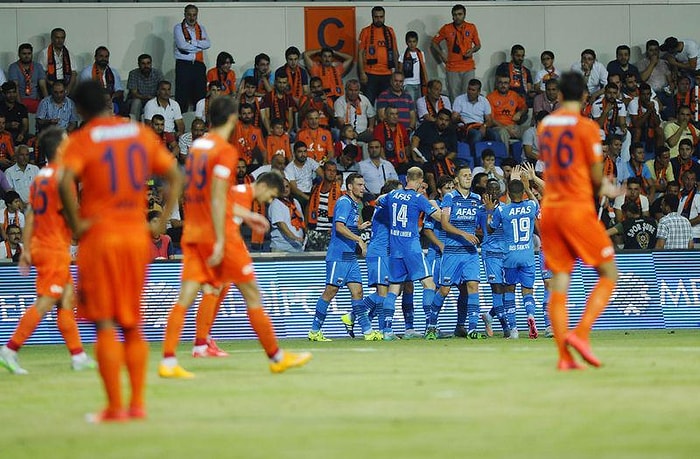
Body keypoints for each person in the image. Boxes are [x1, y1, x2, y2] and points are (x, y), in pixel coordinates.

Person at [57, 80, 182, 422]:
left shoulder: (81, 140)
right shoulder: (137, 133)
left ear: (80, 110)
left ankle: (115, 408)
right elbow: (174, 173)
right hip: (135, 238)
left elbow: (62, 180)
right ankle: (138, 405)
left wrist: (77, 224)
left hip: (99, 238)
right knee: (132, 324)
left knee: (106, 324)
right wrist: (161, 221)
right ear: (110, 102)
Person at [537, 71, 625, 371]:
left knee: (560, 282)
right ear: (585, 96)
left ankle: (564, 357)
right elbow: (596, 174)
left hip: (549, 209)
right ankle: (582, 334)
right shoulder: (588, 128)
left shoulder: (545, 125)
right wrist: (605, 188)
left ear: (559, 95)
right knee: (609, 273)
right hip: (576, 207)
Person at [0, 129, 95, 374]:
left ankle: (78, 356)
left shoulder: (41, 178)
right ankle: (9, 350)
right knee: (45, 302)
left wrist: (28, 249)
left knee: (65, 300)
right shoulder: (63, 178)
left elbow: (31, 214)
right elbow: (72, 216)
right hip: (53, 248)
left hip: (46, 246)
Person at [308, 173, 382, 341]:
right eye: (359, 185)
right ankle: (314, 331)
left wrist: (359, 227)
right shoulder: (343, 202)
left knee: (358, 292)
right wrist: (359, 240)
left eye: (363, 185)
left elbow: (348, 224)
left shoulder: (356, 205)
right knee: (330, 291)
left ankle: (368, 332)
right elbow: (339, 227)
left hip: (350, 257)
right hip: (338, 255)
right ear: (350, 186)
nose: (363, 188)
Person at [378, 167, 441, 339]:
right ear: (420, 181)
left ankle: (387, 331)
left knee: (393, 289)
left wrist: (384, 197)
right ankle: (430, 328)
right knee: (429, 285)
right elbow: (438, 217)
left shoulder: (392, 195)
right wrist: (438, 207)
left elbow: (378, 200)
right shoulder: (419, 198)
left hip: (395, 249)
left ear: (406, 178)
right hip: (412, 248)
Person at [426, 165, 482, 339]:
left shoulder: (476, 198)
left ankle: (472, 329)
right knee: (444, 290)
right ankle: (431, 326)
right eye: (464, 175)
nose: (468, 178)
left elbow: (480, 222)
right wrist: (464, 234)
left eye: (470, 175)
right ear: (457, 179)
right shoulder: (449, 198)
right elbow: (444, 224)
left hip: (470, 253)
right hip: (452, 253)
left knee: (472, 287)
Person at [488, 177, 540, 339]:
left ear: (508, 193)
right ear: (523, 192)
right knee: (527, 291)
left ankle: (514, 330)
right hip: (527, 255)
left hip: (510, 256)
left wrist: (490, 211)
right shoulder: (532, 205)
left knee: (509, 290)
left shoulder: (502, 210)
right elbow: (534, 202)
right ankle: (530, 316)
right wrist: (528, 189)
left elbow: (490, 229)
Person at [431, 4, 481, 102]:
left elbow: (478, 45)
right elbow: (434, 43)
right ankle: (455, 116)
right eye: (455, 15)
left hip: (468, 67)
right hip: (452, 67)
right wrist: (442, 55)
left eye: (460, 14)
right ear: (452, 16)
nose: (457, 17)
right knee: (454, 96)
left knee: (469, 95)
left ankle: (466, 116)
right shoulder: (446, 28)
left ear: (464, 15)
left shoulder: (471, 27)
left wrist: (472, 50)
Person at [174, 4, 210, 112]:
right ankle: (181, 125)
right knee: (182, 97)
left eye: (194, 15)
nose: (191, 17)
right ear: (185, 15)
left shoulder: (201, 28)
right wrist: (198, 46)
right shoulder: (178, 28)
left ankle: (200, 124)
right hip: (184, 65)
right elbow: (182, 45)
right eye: (189, 14)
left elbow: (208, 44)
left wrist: (191, 42)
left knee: (200, 97)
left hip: (198, 65)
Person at [357, 6, 398, 104]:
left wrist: (396, 72)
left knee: (387, 104)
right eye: (376, 17)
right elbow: (360, 53)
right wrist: (362, 73)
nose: (379, 19)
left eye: (381, 17)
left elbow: (395, 51)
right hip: (370, 74)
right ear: (372, 17)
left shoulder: (390, 31)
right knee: (368, 103)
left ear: (384, 17)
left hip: (387, 74)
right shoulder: (365, 31)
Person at [305, 161, 342, 252]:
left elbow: (342, 213)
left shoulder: (340, 193)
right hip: (314, 231)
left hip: (330, 233)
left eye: (334, 171)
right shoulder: (315, 188)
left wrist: (335, 228)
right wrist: (306, 227)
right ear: (324, 171)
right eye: (329, 170)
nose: (332, 173)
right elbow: (308, 207)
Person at [79, 46, 124, 115]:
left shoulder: (113, 72)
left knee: (122, 105)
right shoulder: (87, 72)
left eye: (106, 57)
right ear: (95, 57)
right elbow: (84, 91)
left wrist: (110, 99)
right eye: (101, 56)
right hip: (94, 100)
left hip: (111, 100)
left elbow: (119, 90)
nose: (104, 59)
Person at [487, 73, 528, 145]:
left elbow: (525, 107)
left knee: (530, 131)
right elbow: (491, 120)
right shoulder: (490, 97)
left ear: (509, 84)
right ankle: (505, 156)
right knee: (503, 132)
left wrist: (520, 113)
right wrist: (506, 128)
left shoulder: (514, 95)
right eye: (500, 83)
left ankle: (530, 155)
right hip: (498, 127)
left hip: (513, 127)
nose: (503, 85)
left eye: (505, 83)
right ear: (497, 84)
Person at [8, 43, 48, 114]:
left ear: (32, 54)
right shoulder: (13, 67)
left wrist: (48, 103)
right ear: (19, 54)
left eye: (29, 53)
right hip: (20, 100)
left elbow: (42, 86)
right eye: (24, 54)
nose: (27, 56)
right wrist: (19, 105)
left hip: (35, 100)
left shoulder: (38, 66)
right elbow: (15, 86)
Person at [269, 178, 306, 252]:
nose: (285, 189)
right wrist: (295, 238)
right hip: (282, 248)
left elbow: (301, 220)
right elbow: (281, 224)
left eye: (287, 186)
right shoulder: (276, 204)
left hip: (298, 246)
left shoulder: (295, 202)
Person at [39, 28, 77, 96]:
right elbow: (42, 73)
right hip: (51, 83)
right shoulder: (44, 53)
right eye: (57, 38)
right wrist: (52, 84)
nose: (60, 41)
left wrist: (68, 88)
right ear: (52, 38)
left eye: (62, 38)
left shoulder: (69, 54)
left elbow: (73, 73)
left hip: (65, 83)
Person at [126, 54, 164, 121]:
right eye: (143, 63)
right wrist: (147, 97)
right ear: (139, 64)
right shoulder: (133, 73)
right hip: (137, 99)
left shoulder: (158, 73)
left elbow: (162, 89)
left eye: (148, 63)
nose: (146, 66)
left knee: (161, 101)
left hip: (153, 99)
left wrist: (153, 99)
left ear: (151, 64)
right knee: (137, 102)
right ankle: (134, 126)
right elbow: (134, 93)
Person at [284, 140, 321, 207]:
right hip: (298, 195)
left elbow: (323, 174)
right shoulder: (289, 168)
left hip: (311, 192)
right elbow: (294, 189)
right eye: (300, 152)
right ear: (294, 153)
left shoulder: (310, 161)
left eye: (304, 151)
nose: (303, 154)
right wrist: (308, 198)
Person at [398, 31, 428, 103]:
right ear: (406, 42)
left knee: (419, 105)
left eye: (414, 41)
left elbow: (423, 68)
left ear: (417, 42)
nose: (412, 44)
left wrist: (426, 81)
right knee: (411, 104)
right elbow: (400, 71)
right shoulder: (403, 55)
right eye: (410, 42)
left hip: (419, 83)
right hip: (408, 83)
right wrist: (400, 84)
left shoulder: (421, 53)